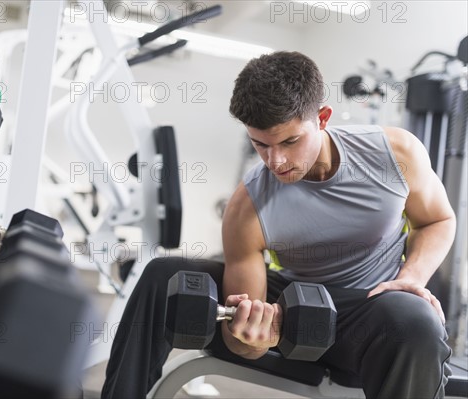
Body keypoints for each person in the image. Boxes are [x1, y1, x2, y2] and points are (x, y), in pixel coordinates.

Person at [100, 51, 455, 399]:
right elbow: (243, 338)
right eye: (261, 145)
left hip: (371, 308)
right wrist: (252, 341)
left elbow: (438, 220)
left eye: (290, 141)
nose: (276, 161)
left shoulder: (394, 155)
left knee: (414, 320)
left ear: (323, 117)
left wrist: (410, 279)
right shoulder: (247, 208)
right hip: (291, 307)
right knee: (165, 277)